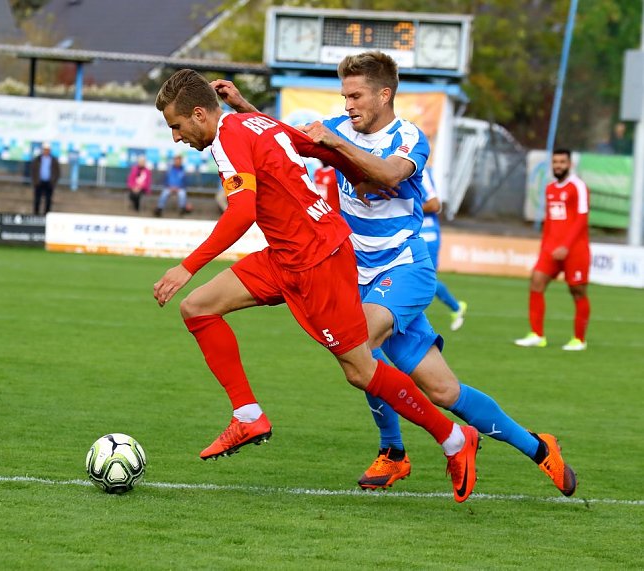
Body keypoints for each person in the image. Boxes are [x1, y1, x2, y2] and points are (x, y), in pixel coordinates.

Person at [213, 52, 576, 497]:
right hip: (356, 275)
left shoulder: (409, 137)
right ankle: (540, 448)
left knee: (359, 345)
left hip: (404, 268)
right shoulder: (341, 129)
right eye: (344, 95)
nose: (347, 104)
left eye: (356, 95)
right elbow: (282, 139)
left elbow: (386, 172)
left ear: (385, 95)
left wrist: (335, 143)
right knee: (443, 390)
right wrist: (242, 106)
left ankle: (395, 452)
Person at [153, 68, 480, 503]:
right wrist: (357, 173)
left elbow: (242, 212)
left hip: (316, 261)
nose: (177, 137)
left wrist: (186, 266)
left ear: (198, 114)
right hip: (284, 256)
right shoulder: (252, 122)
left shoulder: (228, 138)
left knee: (361, 370)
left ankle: (454, 439)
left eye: (176, 126)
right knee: (198, 308)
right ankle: (248, 415)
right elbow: (310, 144)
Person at [515, 149, 591, 351]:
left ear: (569, 164)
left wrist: (566, 246)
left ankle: (579, 339)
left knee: (577, 291)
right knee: (536, 282)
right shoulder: (549, 188)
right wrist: (545, 247)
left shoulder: (578, 187)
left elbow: (582, 219)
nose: (558, 165)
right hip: (551, 249)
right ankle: (537, 335)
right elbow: (550, 221)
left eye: (562, 162)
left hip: (575, 250)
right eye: (555, 162)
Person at [419, 168, 467, 331]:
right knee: (415, 280)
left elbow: (434, 204)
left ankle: (456, 307)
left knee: (426, 282)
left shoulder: (421, 171)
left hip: (428, 235)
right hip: (414, 234)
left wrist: (409, 209)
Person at [31, 142, 59, 215]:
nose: (46, 151)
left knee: (48, 200)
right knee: (37, 199)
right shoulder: (38, 159)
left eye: (47, 149)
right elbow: (33, 170)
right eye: (45, 149)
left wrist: (53, 181)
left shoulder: (53, 160)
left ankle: (46, 215)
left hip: (49, 183)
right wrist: (35, 181)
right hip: (39, 182)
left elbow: (57, 172)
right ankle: (36, 214)